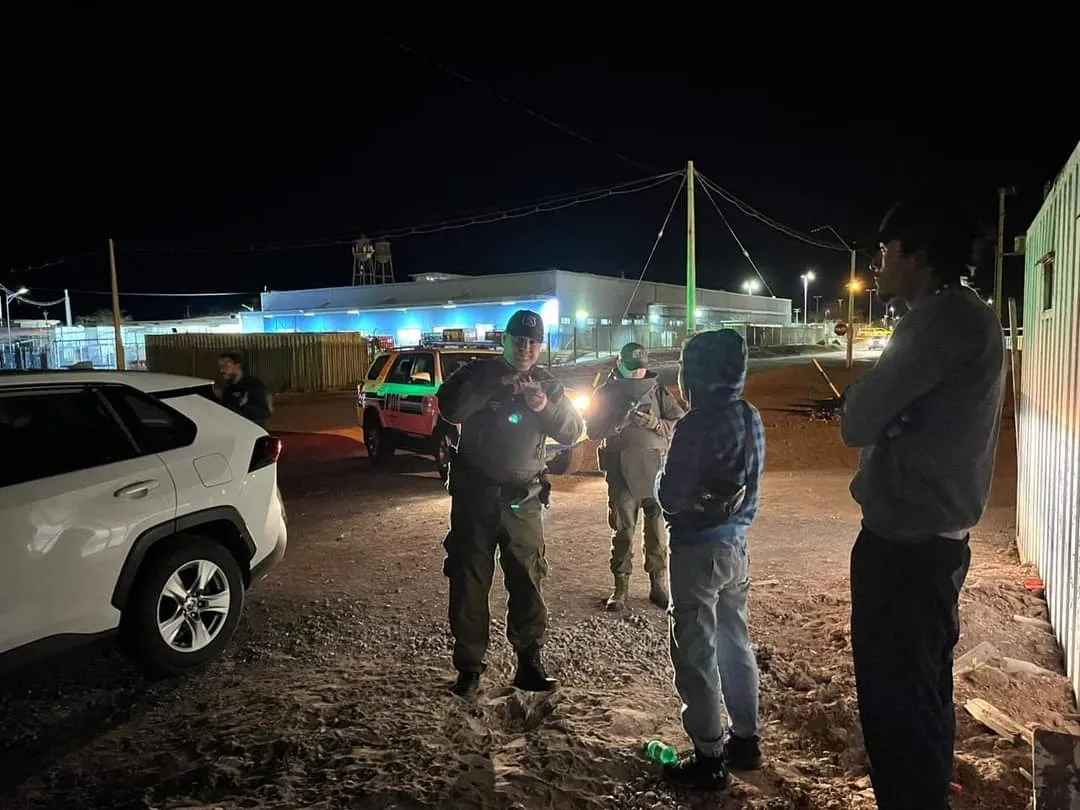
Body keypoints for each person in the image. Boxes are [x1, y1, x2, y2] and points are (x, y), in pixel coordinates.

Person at [841, 197, 1004, 810]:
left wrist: (878, 410)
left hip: (904, 551)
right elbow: (883, 413)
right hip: (930, 546)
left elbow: (858, 418)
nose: (879, 264)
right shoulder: (965, 315)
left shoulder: (940, 320)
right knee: (924, 692)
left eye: (886, 252)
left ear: (917, 254)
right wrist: (890, 412)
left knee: (896, 704)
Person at [437, 309, 585, 698]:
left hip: (523, 500)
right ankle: (469, 668)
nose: (526, 348)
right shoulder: (476, 372)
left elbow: (573, 431)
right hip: (475, 499)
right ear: (505, 340)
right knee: (469, 583)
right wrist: (494, 385)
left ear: (541, 345)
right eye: (519, 340)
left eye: (534, 342)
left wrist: (543, 407)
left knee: (527, 579)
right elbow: (450, 408)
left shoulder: (547, 383)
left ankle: (529, 663)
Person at [656, 328, 765, 792]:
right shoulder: (749, 415)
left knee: (696, 651)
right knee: (734, 642)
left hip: (697, 551)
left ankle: (709, 756)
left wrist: (660, 477)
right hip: (736, 546)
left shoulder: (696, 424)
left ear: (697, 374)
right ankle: (746, 740)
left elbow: (671, 497)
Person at [586, 341, 684, 611]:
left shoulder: (657, 390)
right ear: (619, 363)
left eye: (640, 368)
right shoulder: (606, 392)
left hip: (655, 470)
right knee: (623, 530)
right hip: (621, 471)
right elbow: (592, 430)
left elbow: (679, 423)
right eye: (631, 368)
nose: (637, 373)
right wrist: (621, 421)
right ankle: (620, 587)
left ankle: (658, 583)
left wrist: (654, 423)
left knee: (657, 531)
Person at [215, 351, 272, 427]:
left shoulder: (254, 385)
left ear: (237, 365)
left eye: (225, 366)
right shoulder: (228, 390)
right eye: (220, 367)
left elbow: (264, 413)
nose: (221, 370)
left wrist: (242, 407)